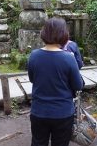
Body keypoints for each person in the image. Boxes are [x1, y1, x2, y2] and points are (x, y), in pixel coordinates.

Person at [28, 17, 84, 146]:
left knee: (38, 142)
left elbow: (32, 79)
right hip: (62, 112)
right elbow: (78, 85)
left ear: (44, 33)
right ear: (64, 34)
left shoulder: (34, 55)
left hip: (38, 111)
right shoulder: (68, 58)